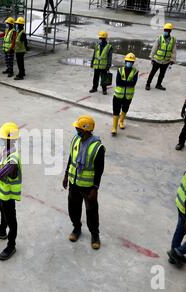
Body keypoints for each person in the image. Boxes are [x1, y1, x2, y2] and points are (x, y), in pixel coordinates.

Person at [63, 115, 105, 249]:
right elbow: (71, 158)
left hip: (88, 187)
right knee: (73, 208)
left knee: (91, 211)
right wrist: (65, 176)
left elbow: (99, 170)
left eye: (78, 127)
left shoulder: (97, 147)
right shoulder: (76, 139)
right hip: (73, 183)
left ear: (86, 130)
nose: (76, 129)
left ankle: (95, 235)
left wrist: (95, 188)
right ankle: (76, 228)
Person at [0, 122, 22, 261]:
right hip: (1, 193)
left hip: (8, 196)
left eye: (2, 138)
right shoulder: (4, 152)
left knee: (11, 220)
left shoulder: (12, 160)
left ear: (10, 140)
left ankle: (11, 245)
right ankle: (2, 231)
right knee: (2, 213)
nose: (0, 140)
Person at [111, 53, 139, 135]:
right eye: (128, 61)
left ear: (133, 63)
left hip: (128, 96)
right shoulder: (120, 70)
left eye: (131, 62)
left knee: (125, 109)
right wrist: (128, 82)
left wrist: (125, 82)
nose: (129, 63)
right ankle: (114, 128)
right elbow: (118, 82)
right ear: (125, 61)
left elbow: (133, 83)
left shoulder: (135, 72)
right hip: (118, 95)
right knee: (116, 111)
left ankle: (121, 121)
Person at [145, 23, 177, 91]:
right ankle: (148, 84)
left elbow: (174, 51)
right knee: (152, 73)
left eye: (167, 30)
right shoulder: (159, 38)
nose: (166, 31)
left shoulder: (173, 40)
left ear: (170, 31)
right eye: (165, 30)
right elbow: (154, 48)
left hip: (166, 61)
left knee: (162, 74)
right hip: (157, 60)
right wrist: (152, 58)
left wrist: (172, 60)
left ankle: (158, 84)